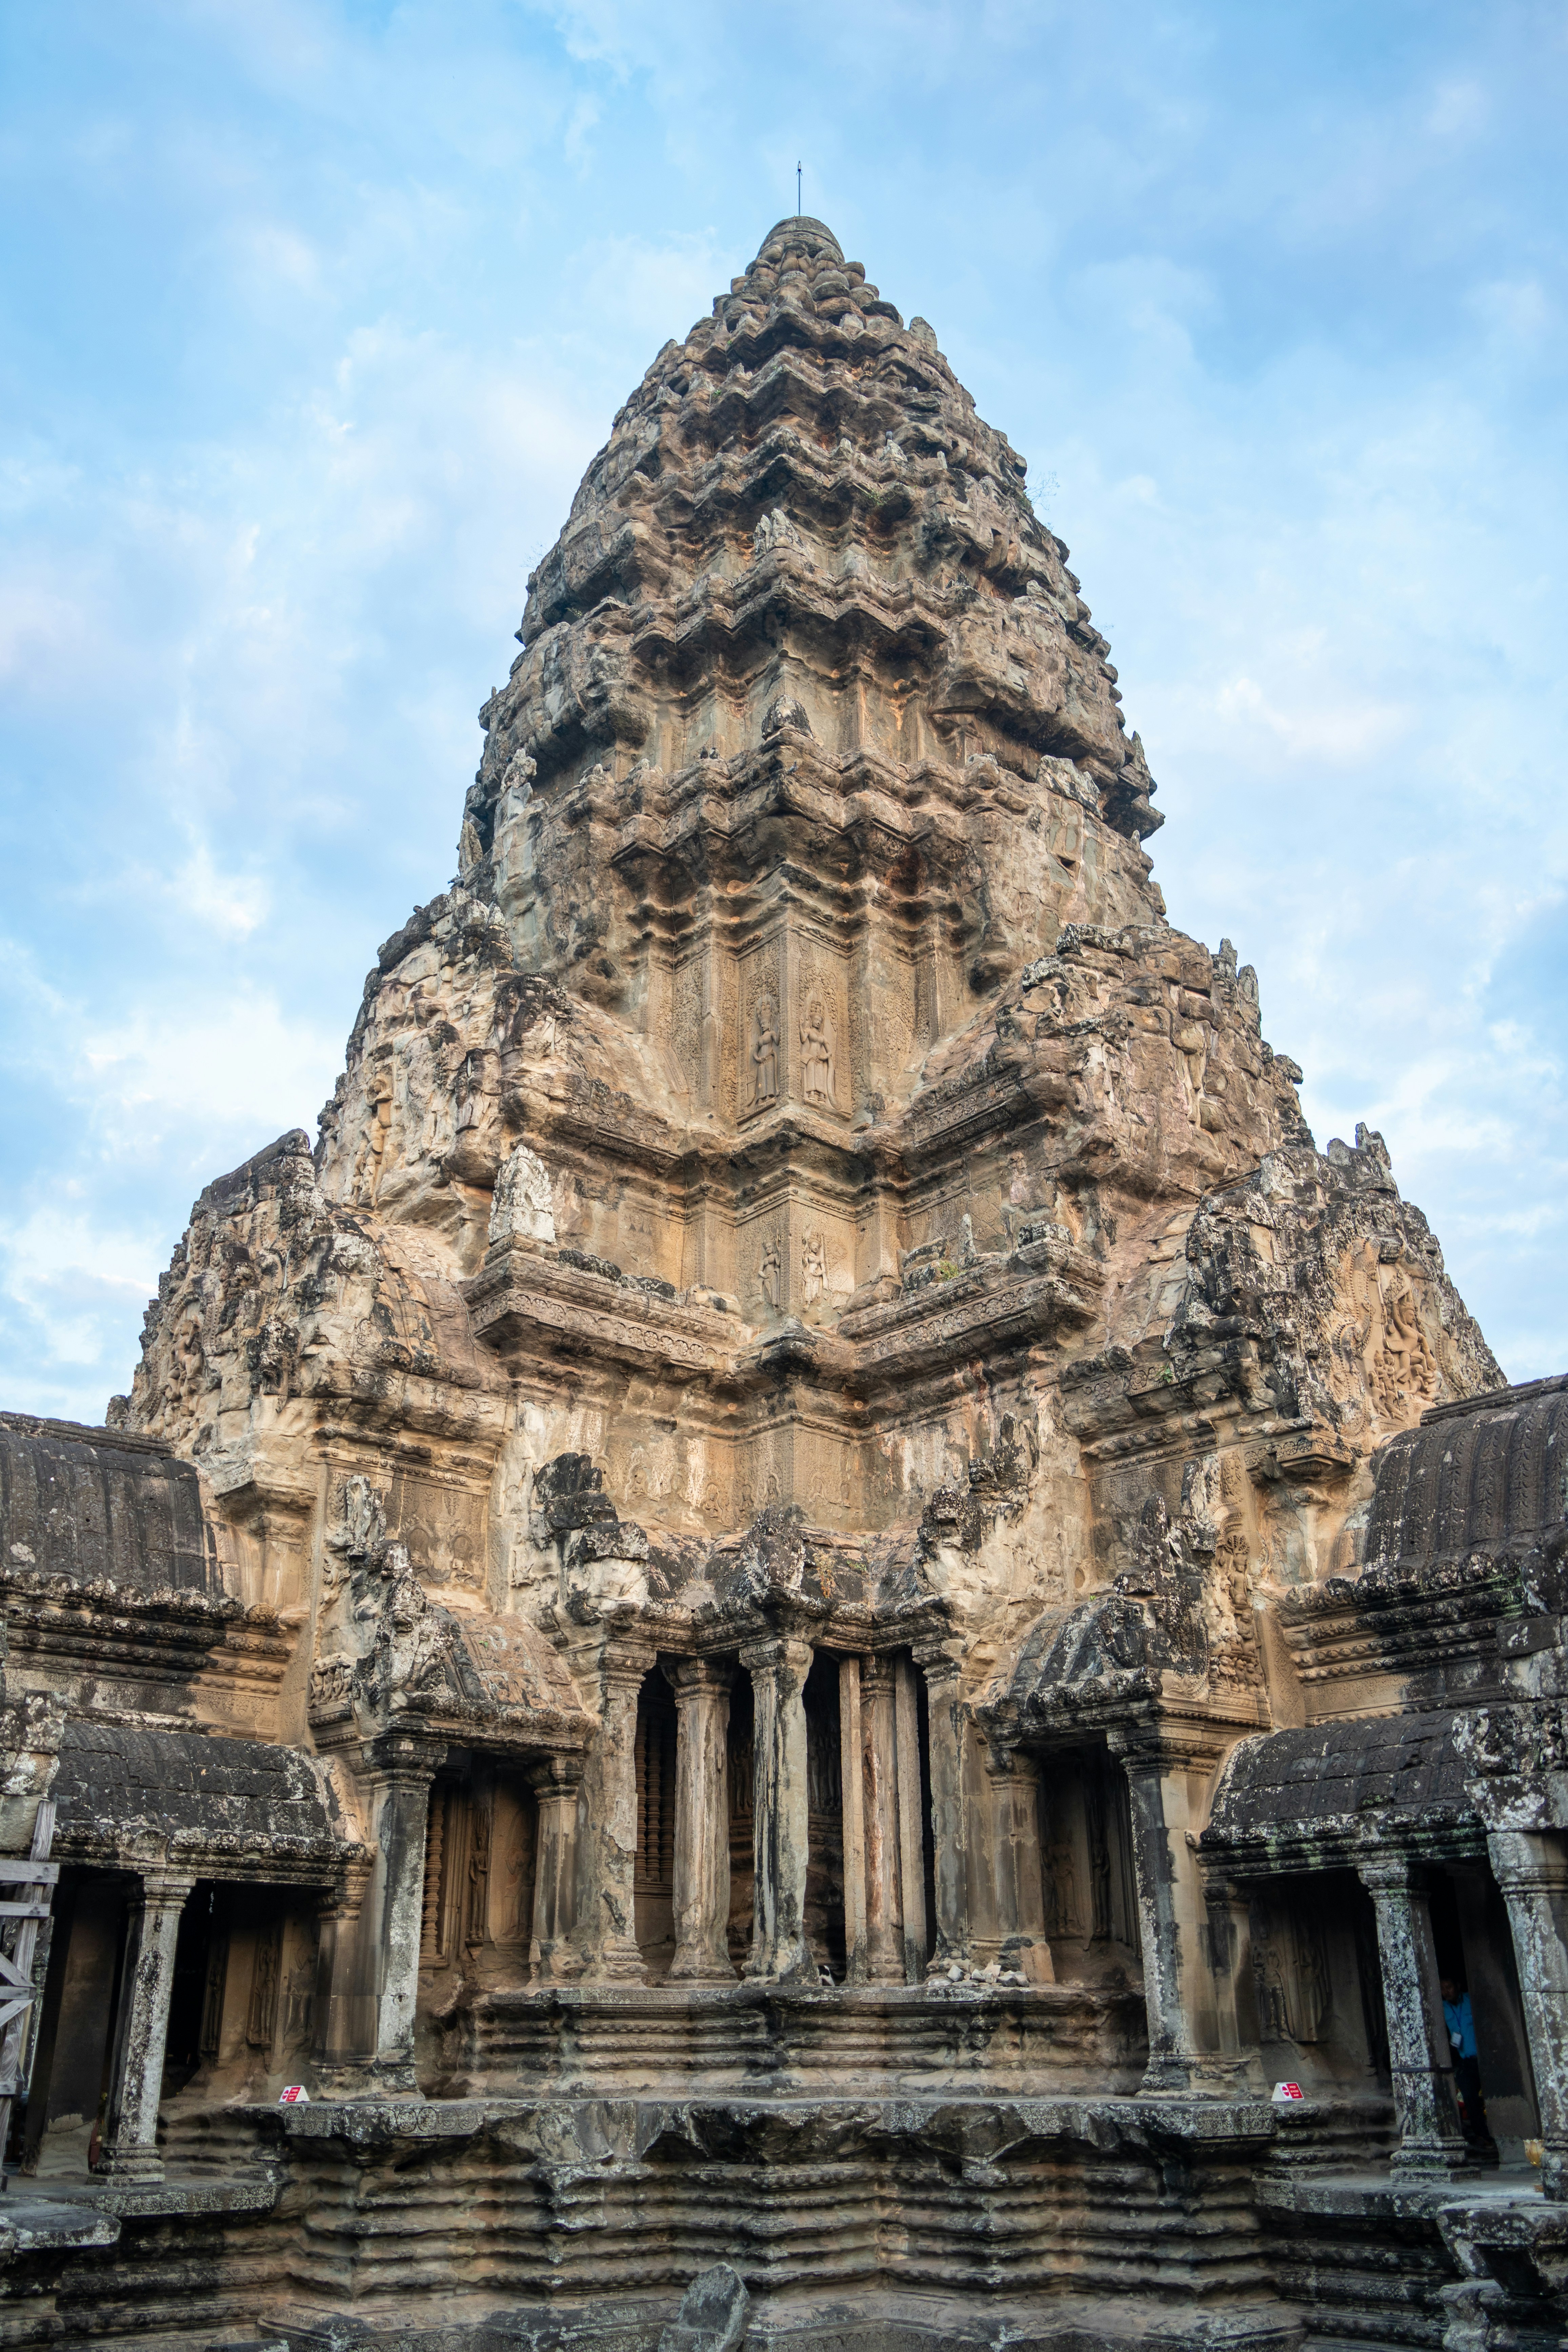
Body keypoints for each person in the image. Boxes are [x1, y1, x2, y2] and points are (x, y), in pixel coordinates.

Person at [1440, 1975, 1491, 2150]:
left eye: (1449, 1987)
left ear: (1458, 1985)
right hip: (1464, 2061)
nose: (1446, 1992)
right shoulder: (1443, 2008)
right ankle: (1482, 2136)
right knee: (1469, 2096)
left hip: (1485, 2059)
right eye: (1442, 1989)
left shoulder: (1472, 2000)